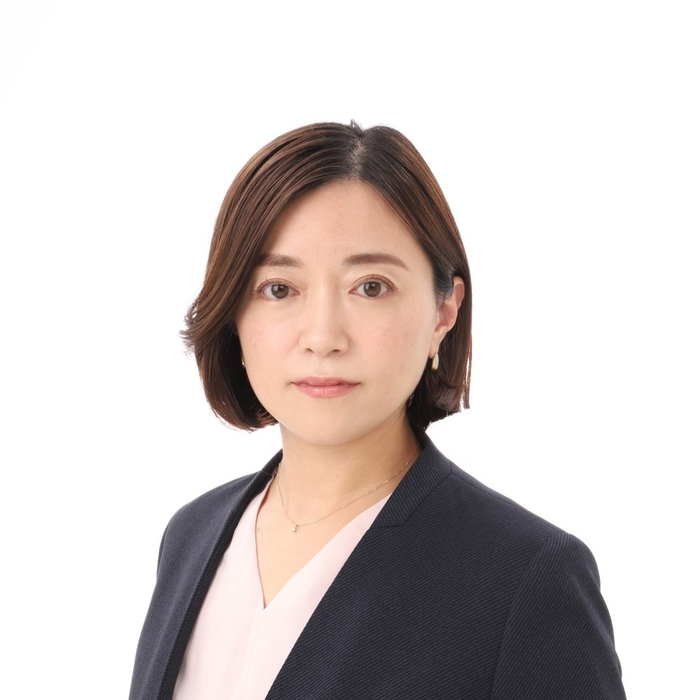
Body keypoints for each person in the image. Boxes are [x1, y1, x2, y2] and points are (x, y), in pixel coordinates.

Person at [128, 121, 626, 699]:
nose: (322, 336)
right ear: (234, 313)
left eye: (370, 287)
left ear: (444, 311)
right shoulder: (192, 536)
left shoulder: (523, 578)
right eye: (279, 288)